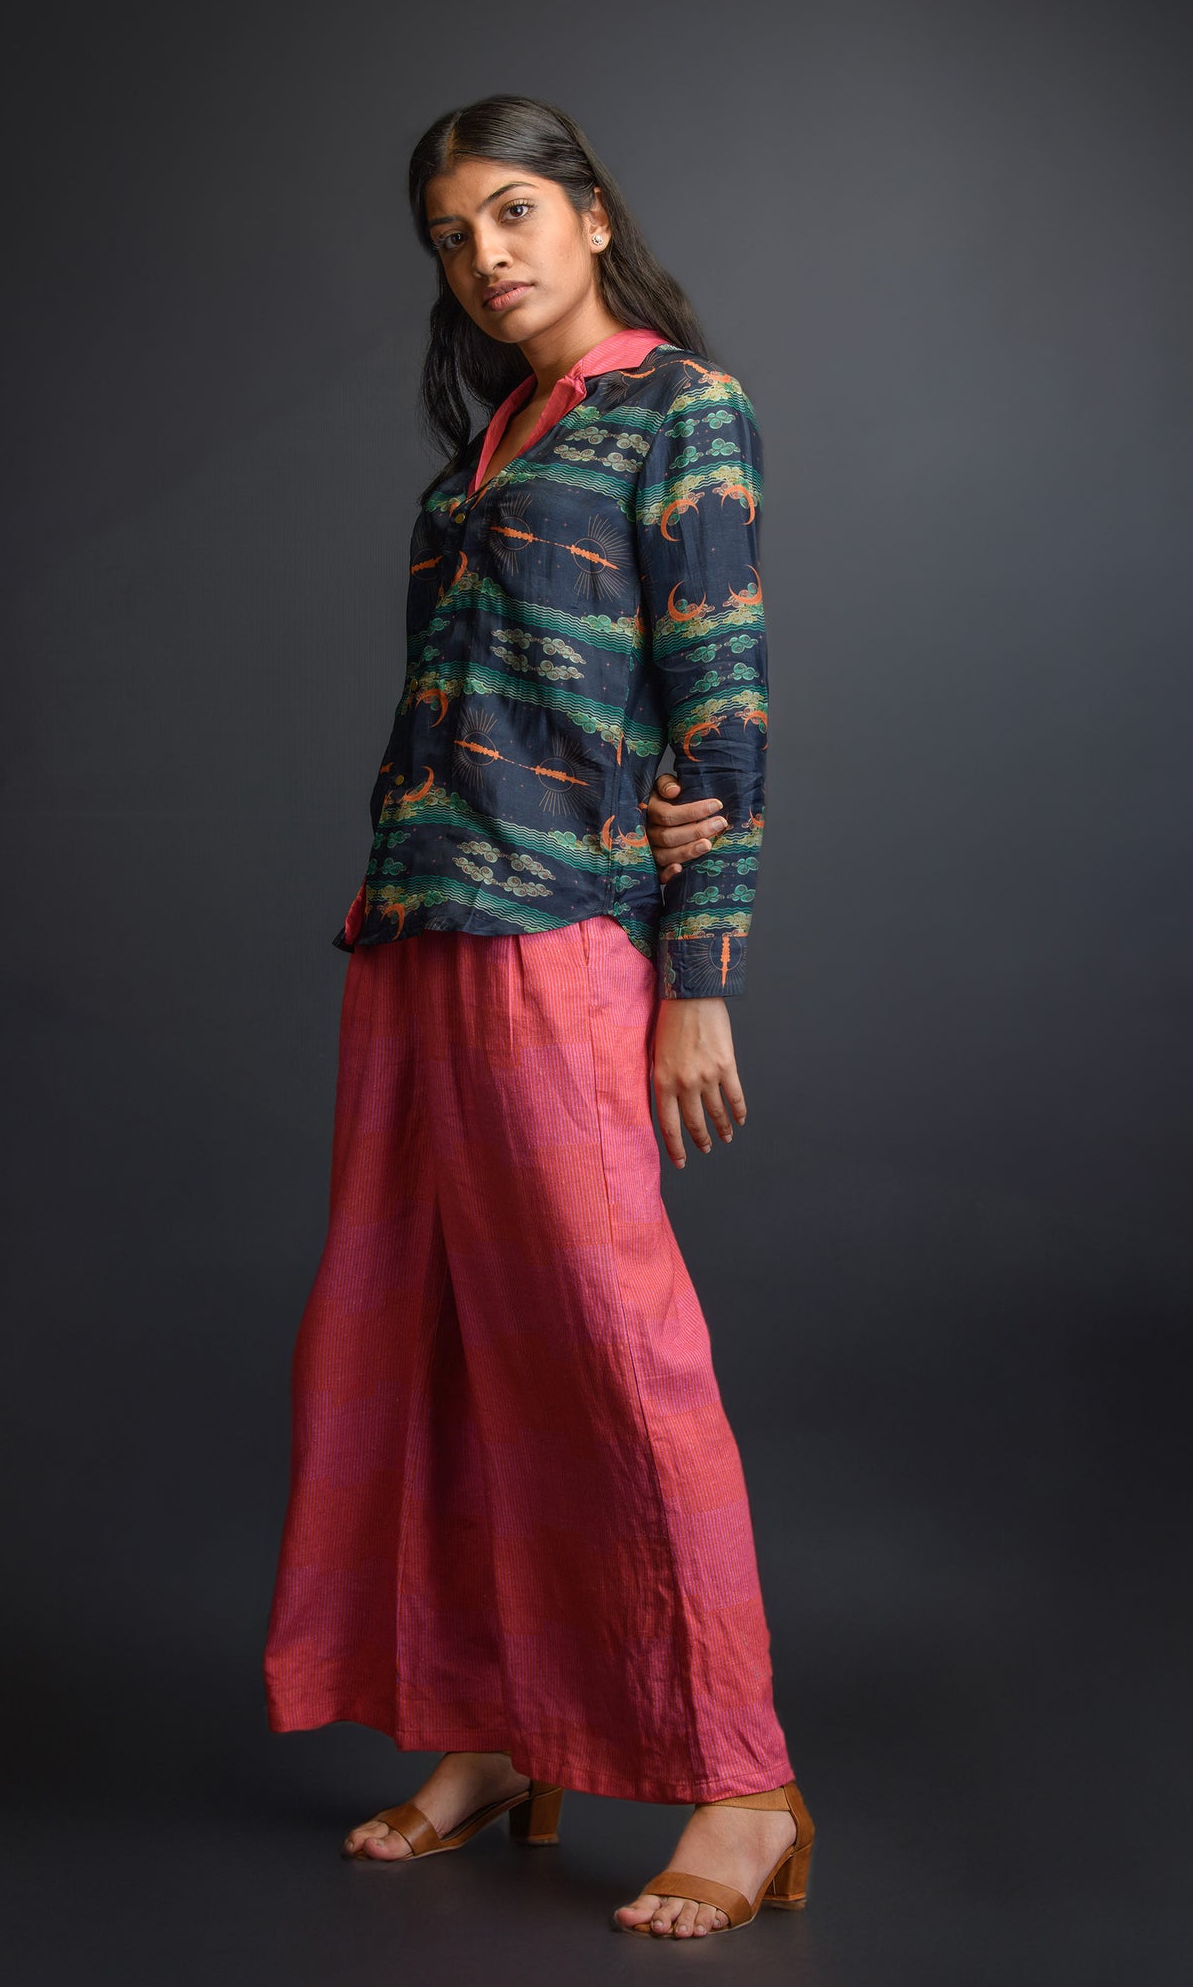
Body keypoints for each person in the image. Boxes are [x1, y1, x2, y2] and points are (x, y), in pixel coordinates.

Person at [261, 94, 814, 1940]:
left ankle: (742, 1781)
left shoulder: (679, 409)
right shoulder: (494, 438)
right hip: (416, 926)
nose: (483, 255)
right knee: (433, 1344)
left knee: (610, 1348)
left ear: (586, 215)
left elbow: (719, 705)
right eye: (450, 234)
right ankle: (497, 1731)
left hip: (560, 935)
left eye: (510, 212)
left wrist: (696, 980)